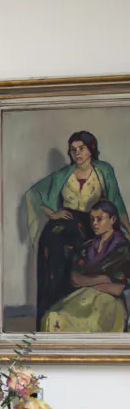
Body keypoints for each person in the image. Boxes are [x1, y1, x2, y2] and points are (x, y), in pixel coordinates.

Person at [24, 131, 128, 326]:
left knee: (82, 265)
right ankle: (52, 317)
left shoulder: (104, 170)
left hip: (89, 225)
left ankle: (80, 319)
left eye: (82, 148)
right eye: (73, 150)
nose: (77, 153)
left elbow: (117, 202)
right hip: (61, 229)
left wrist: (127, 229)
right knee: (55, 265)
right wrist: (52, 214)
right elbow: (34, 195)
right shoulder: (64, 174)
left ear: (91, 149)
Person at [42, 200, 130, 332]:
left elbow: (117, 288)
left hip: (109, 302)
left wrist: (87, 281)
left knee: (89, 324)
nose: (94, 223)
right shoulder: (87, 246)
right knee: (52, 317)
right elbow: (75, 278)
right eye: (92, 219)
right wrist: (105, 279)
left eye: (99, 219)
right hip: (84, 296)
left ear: (113, 220)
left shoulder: (123, 248)